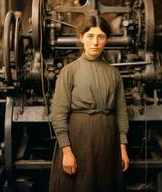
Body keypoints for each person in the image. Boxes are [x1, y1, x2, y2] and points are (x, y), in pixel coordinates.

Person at [49, 15, 129, 192]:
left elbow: (121, 113)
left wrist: (122, 148)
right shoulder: (69, 71)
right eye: (90, 36)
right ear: (81, 38)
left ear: (106, 39)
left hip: (107, 142)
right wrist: (67, 152)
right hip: (79, 141)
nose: (95, 42)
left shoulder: (114, 74)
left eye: (101, 37)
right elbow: (58, 114)